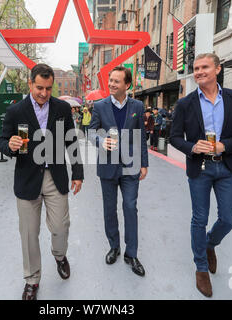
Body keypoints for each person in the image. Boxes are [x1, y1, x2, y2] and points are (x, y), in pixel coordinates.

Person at [170, 53, 232, 297]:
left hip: (227, 166)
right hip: (200, 169)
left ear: (217, 69)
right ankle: (201, 268)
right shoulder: (186, 103)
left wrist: (225, 145)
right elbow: (174, 137)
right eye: (196, 68)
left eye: (204, 67)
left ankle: (209, 244)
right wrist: (192, 147)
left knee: (229, 219)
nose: (199, 72)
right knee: (199, 218)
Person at [0, 63, 84, 300]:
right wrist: (10, 146)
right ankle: (32, 280)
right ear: (30, 83)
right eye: (39, 88)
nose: (44, 93)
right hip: (27, 179)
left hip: (56, 177)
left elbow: (71, 142)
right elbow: (2, 141)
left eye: (48, 88)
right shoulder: (16, 111)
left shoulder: (63, 109)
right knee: (28, 233)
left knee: (60, 227)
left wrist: (77, 172)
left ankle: (59, 254)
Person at [88, 65, 149, 277]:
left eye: (116, 81)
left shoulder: (138, 106)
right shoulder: (100, 106)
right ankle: (114, 247)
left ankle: (131, 254)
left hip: (131, 167)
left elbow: (141, 136)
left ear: (127, 85)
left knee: (130, 207)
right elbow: (91, 132)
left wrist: (144, 163)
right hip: (107, 166)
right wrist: (101, 140)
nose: (112, 84)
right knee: (109, 209)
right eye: (110, 80)